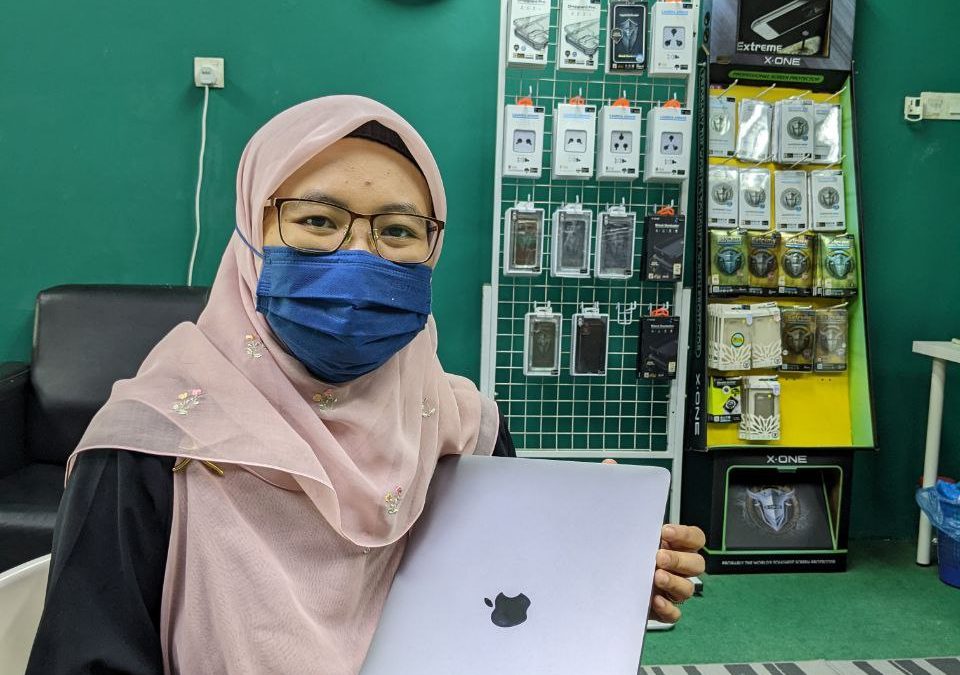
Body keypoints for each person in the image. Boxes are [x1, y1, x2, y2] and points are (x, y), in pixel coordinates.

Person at [27, 96, 705, 674]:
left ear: (432, 248)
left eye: (398, 231)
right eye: (317, 220)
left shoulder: (462, 427)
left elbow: (496, 609)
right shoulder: (150, 446)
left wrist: (601, 575)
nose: (359, 254)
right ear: (252, 231)